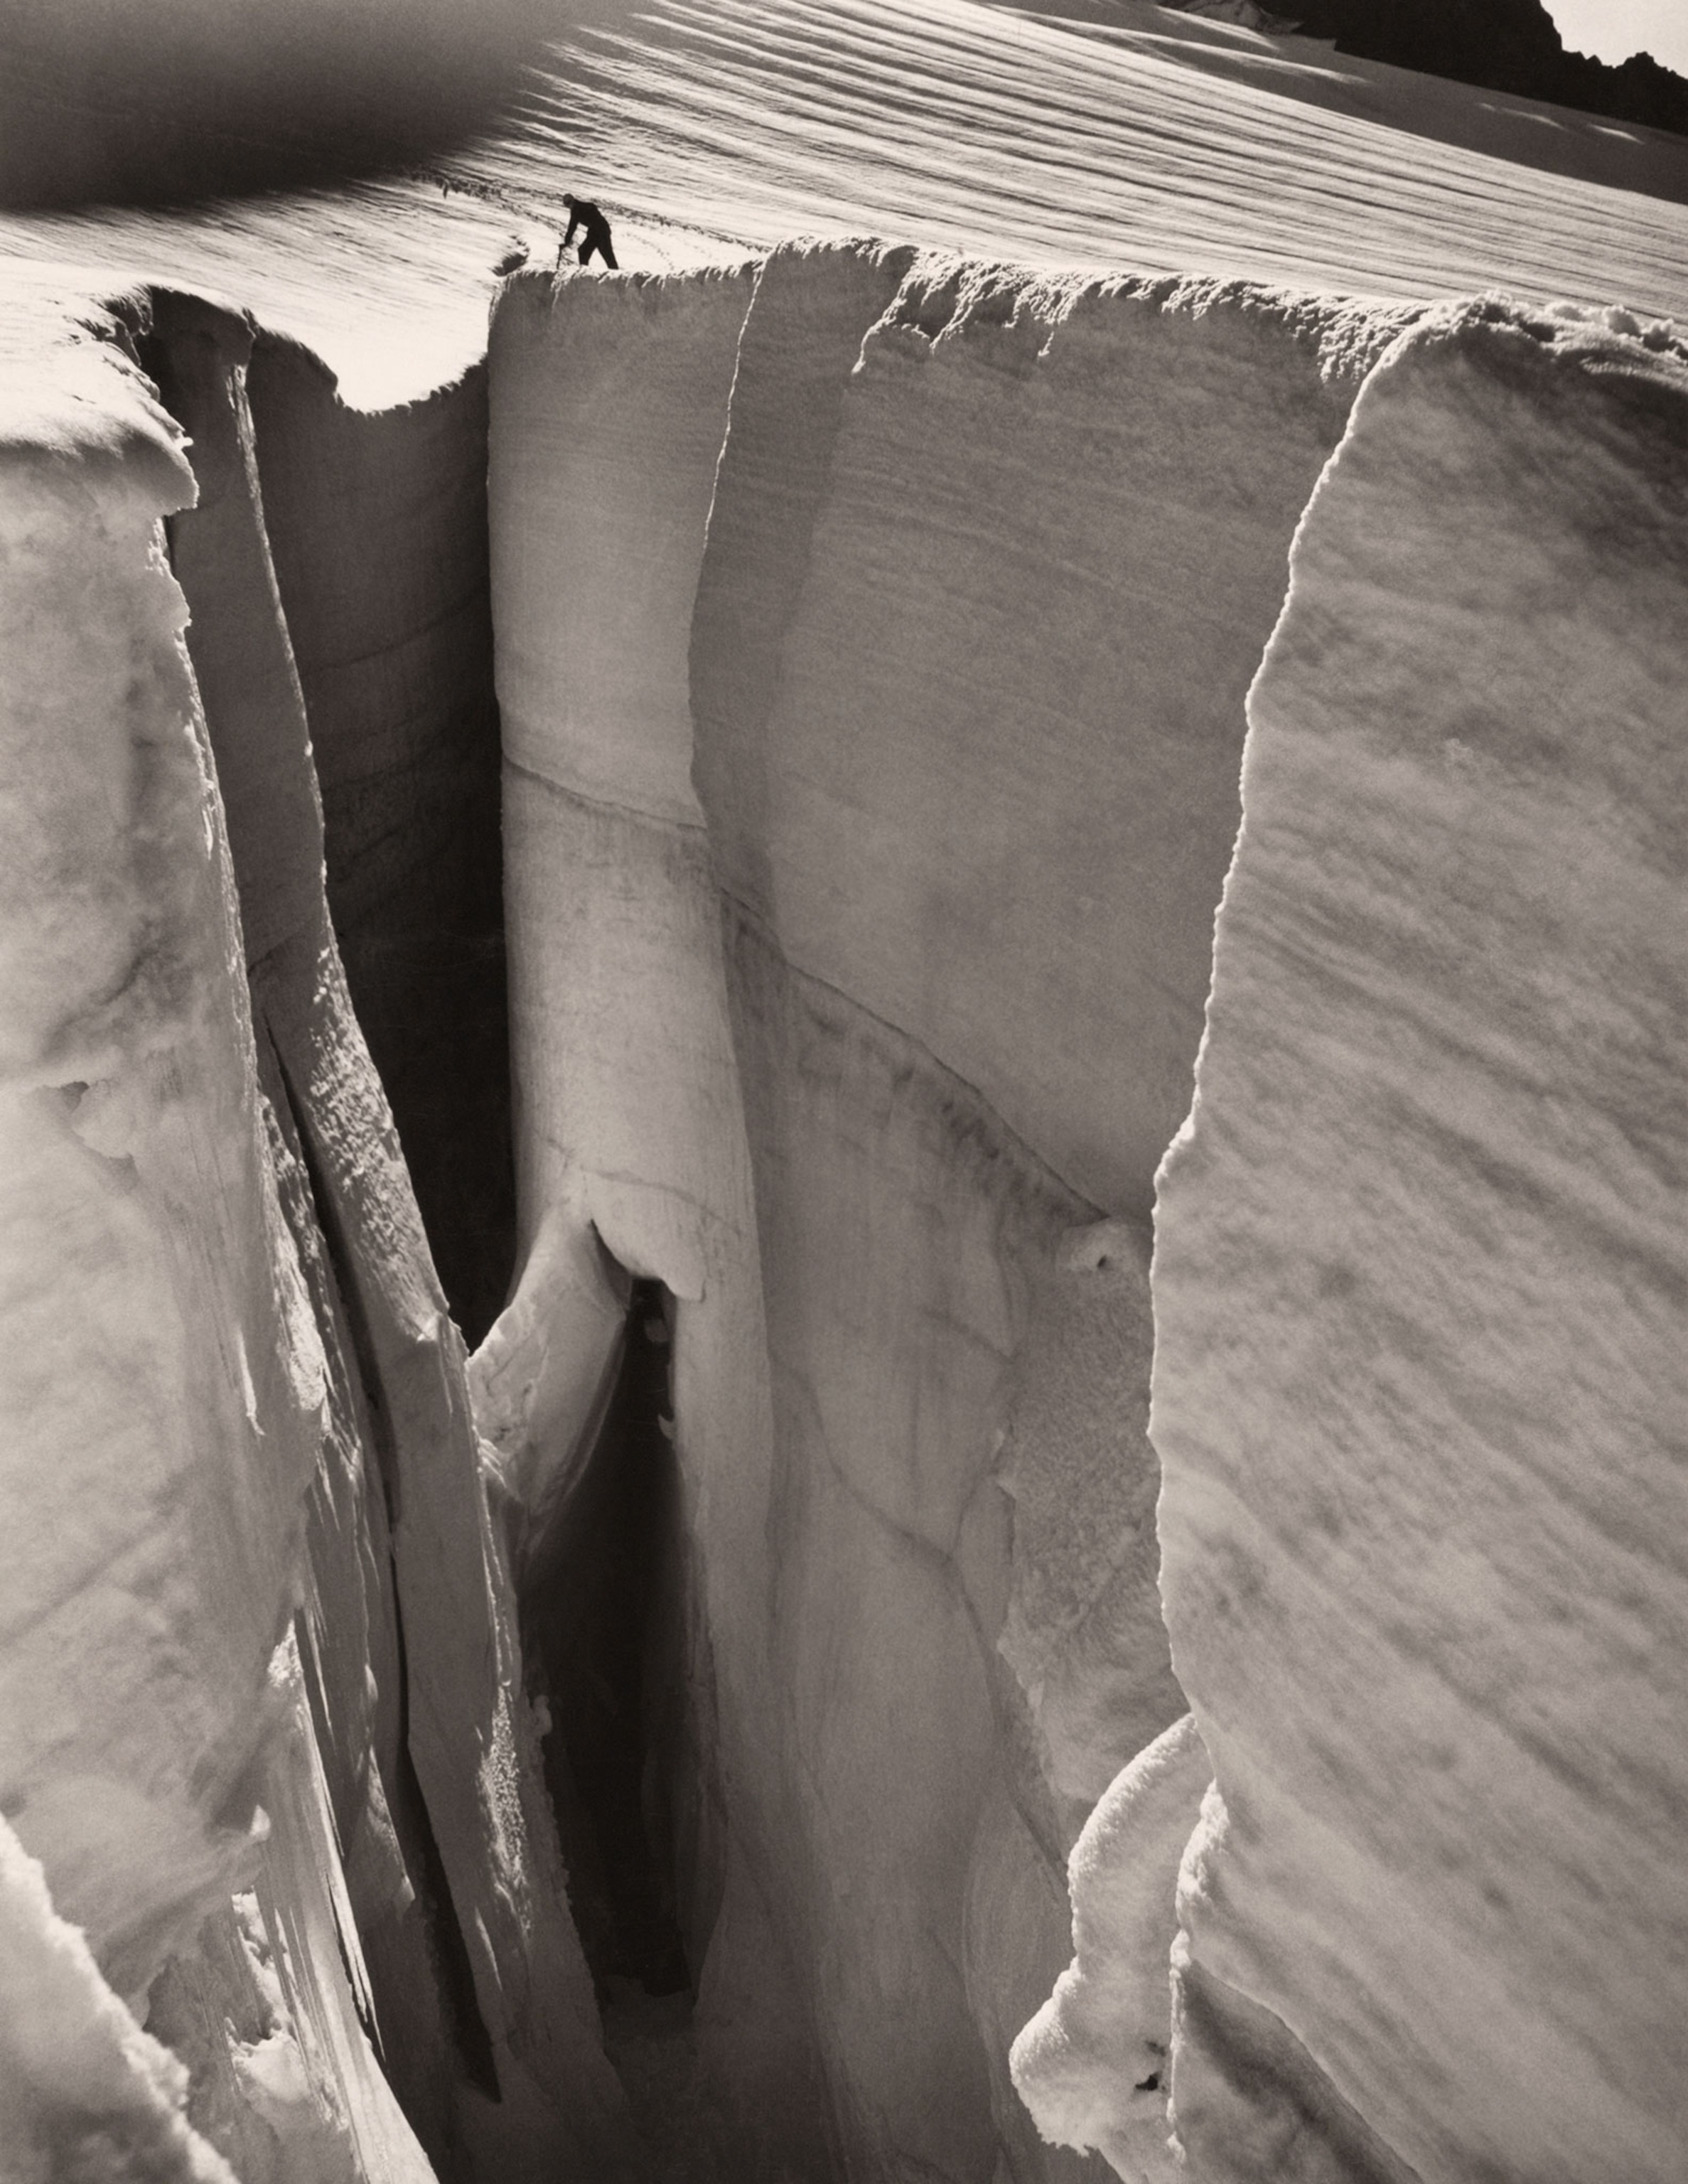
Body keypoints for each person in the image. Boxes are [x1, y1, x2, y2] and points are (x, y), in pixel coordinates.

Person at [560, 192, 618, 270]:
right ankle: (584, 272)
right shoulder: (576, 210)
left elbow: (573, 227)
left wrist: (566, 242)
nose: (569, 206)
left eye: (569, 203)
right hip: (595, 232)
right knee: (583, 251)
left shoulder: (582, 208)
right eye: (567, 204)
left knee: (607, 254)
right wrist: (567, 242)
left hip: (601, 231)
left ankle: (615, 274)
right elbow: (572, 227)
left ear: (573, 201)